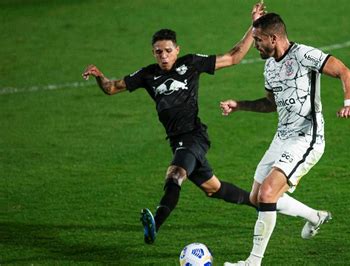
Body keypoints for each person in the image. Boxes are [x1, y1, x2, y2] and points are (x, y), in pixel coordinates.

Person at [81, 3, 266, 244]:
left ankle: (154, 225)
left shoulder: (190, 64)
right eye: (159, 52)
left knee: (175, 174)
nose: (164, 56)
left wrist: (254, 25)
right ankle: (262, 205)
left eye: (168, 50)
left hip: (193, 136)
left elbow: (233, 57)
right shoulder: (147, 75)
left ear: (177, 50)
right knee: (214, 189)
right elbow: (111, 88)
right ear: (153, 53)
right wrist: (99, 75)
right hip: (177, 141)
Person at [220, 12, 350, 266]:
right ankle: (315, 216)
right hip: (282, 136)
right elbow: (270, 104)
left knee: (268, 193)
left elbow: (346, 73)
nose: (256, 46)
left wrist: (349, 103)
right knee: (256, 196)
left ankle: (253, 262)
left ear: (273, 38)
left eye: (258, 40)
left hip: (307, 137)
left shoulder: (304, 55)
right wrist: (239, 105)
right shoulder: (269, 67)